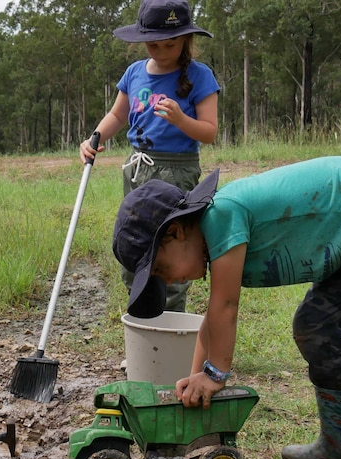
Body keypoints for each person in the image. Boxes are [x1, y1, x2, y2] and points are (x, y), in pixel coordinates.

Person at [111, 156, 341, 459]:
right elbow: (211, 318)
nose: (166, 281)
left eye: (161, 269)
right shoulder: (212, 235)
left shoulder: (221, 216)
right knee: (314, 329)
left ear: (176, 232)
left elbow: (226, 306)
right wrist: (196, 376)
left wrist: (215, 374)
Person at [79, 0, 219, 313]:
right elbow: (117, 115)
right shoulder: (134, 73)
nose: (160, 51)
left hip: (177, 171)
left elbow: (209, 132)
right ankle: (141, 326)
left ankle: (169, 329)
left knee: (170, 249)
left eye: (169, 44)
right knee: (137, 248)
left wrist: (181, 120)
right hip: (137, 171)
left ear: (185, 39)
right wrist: (94, 138)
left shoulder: (200, 76)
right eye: (152, 45)